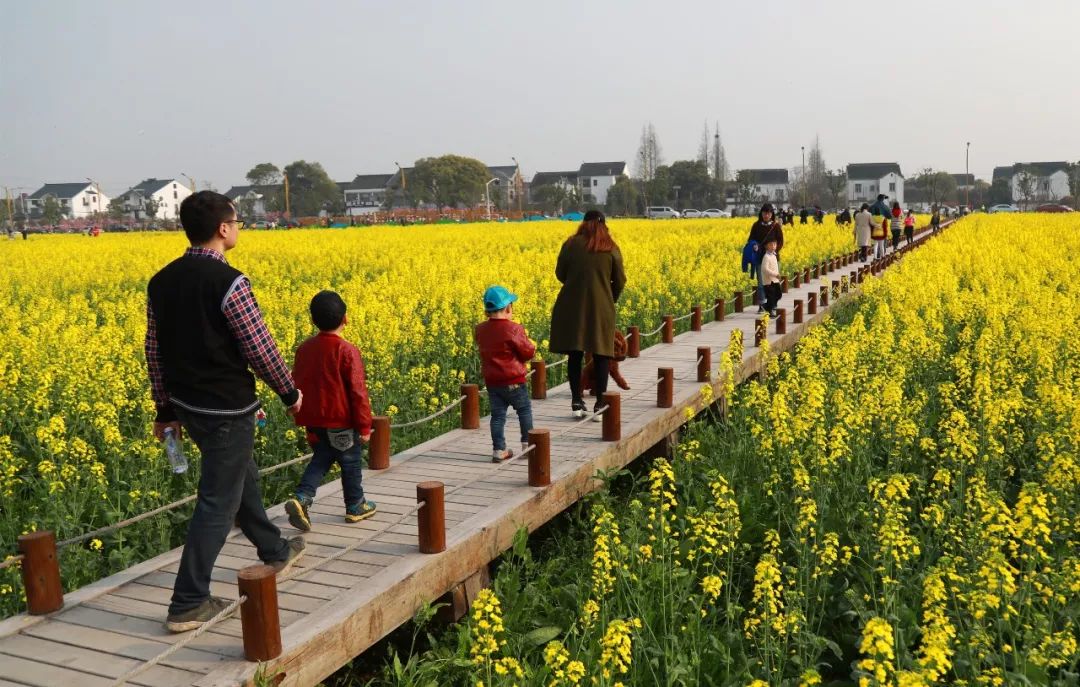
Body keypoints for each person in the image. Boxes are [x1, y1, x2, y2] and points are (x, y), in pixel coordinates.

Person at [146, 191, 305, 633]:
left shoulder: (161, 281)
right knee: (218, 499)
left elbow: (154, 351)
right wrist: (289, 392)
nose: (239, 228)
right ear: (223, 229)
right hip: (226, 407)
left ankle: (274, 549)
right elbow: (258, 346)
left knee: (239, 474)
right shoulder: (229, 282)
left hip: (188, 405)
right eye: (236, 222)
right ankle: (188, 601)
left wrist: (164, 409)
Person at [285, 290, 376, 532]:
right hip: (341, 421)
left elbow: (297, 382)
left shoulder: (304, 349)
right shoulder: (347, 351)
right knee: (350, 461)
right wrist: (365, 426)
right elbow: (357, 392)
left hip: (315, 421)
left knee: (322, 457)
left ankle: (302, 498)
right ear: (345, 318)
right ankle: (355, 505)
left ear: (313, 320)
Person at [549, 210, 626, 420]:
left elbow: (560, 274)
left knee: (575, 354)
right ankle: (600, 404)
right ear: (604, 225)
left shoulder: (571, 244)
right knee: (602, 355)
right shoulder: (611, 248)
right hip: (601, 308)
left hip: (572, 306)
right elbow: (620, 280)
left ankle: (576, 401)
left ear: (583, 224)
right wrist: (609, 298)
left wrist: (576, 284)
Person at [475, 285, 535, 461]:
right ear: (508, 308)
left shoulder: (480, 329)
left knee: (498, 416)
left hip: (493, 383)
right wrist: (531, 347)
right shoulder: (514, 329)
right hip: (514, 380)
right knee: (524, 411)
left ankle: (499, 450)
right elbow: (527, 352)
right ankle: (528, 445)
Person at [747, 203, 784, 313]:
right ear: (761, 213)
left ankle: (773, 304)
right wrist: (753, 245)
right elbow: (750, 239)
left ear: (771, 214)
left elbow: (781, 241)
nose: (766, 215)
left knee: (774, 282)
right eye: (764, 213)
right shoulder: (756, 225)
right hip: (760, 257)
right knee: (762, 283)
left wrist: (773, 251)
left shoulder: (776, 226)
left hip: (773, 259)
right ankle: (762, 304)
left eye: (768, 213)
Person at [760, 238, 782, 318]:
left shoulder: (774, 255)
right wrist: (775, 274)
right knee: (771, 296)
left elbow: (775, 267)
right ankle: (770, 311)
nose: (773, 246)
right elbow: (764, 269)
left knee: (779, 294)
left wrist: (777, 275)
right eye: (771, 244)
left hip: (775, 280)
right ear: (766, 246)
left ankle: (765, 306)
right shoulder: (766, 257)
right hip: (768, 281)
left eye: (774, 244)